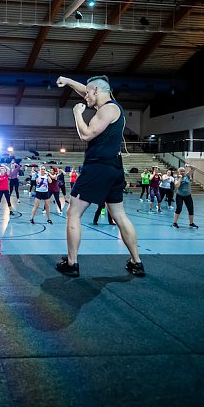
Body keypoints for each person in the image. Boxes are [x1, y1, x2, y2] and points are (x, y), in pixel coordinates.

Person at [54, 75, 143, 277]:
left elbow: (86, 135)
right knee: (119, 215)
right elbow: (85, 91)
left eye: (88, 93)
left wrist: (77, 114)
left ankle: (72, 263)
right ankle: (136, 262)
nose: (85, 97)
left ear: (95, 90)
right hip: (113, 167)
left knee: (73, 213)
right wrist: (68, 81)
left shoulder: (107, 110)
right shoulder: (112, 108)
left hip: (98, 168)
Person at [171, 165, 198, 229]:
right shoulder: (176, 178)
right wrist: (180, 178)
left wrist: (188, 166)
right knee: (179, 208)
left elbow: (194, 168)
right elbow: (177, 186)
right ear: (179, 172)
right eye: (181, 171)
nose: (183, 172)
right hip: (179, 196)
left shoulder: (187, 176)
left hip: (188, 195)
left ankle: (191, 223)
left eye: (183, 171)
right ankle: (174, 223)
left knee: (191, 209)